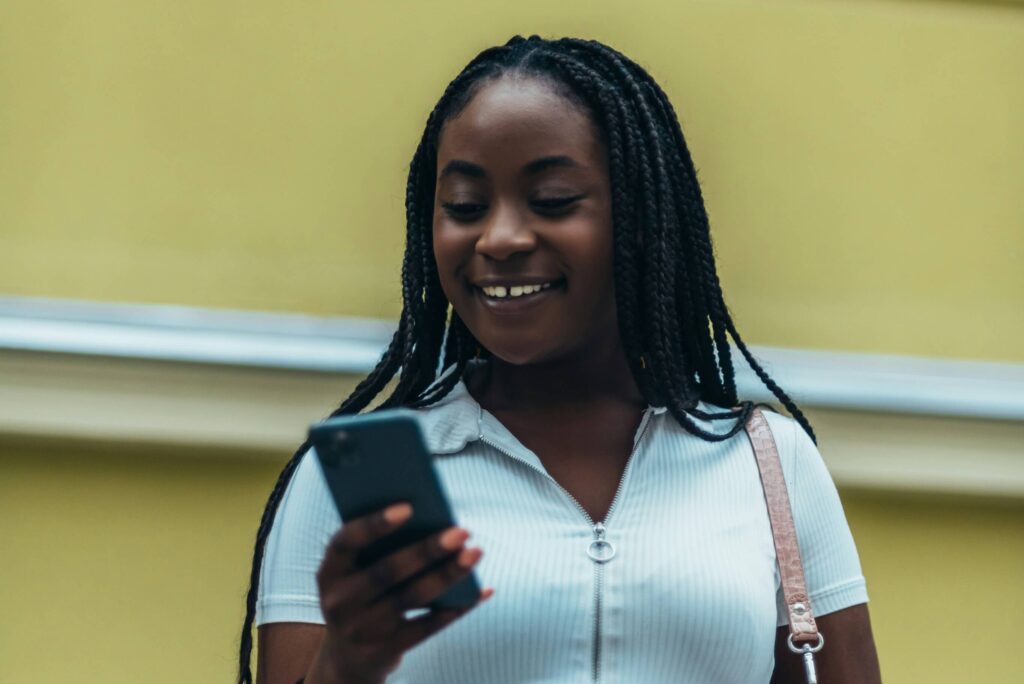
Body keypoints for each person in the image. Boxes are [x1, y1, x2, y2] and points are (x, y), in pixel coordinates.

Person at [238, 35, 881, 684]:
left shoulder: (768, 464)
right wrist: (346, 663)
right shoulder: (352, 481)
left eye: (551, 201)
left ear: (637, 220)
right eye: (464, 207)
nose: (500, 238)